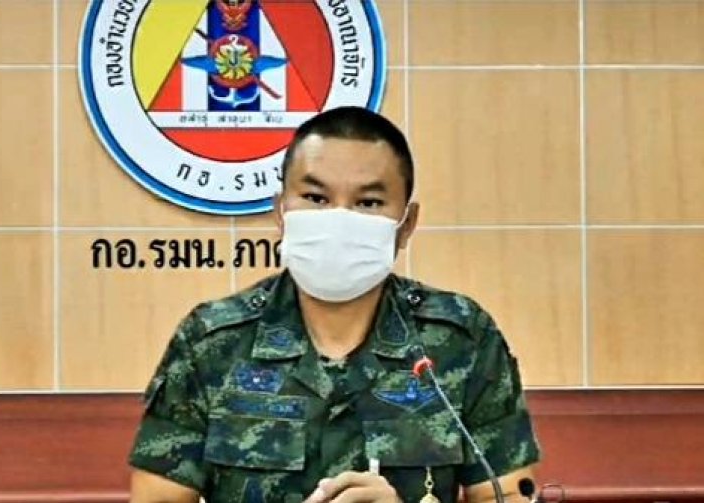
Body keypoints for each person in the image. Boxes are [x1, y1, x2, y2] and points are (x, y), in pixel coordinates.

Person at [128, 106, 541, 503]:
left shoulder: (462, 340)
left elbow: (506, 495)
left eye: (369, 203)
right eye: (316, 197)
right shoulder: (210, 342)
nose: (339, 218)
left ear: (406, 224)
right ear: (281, 212)